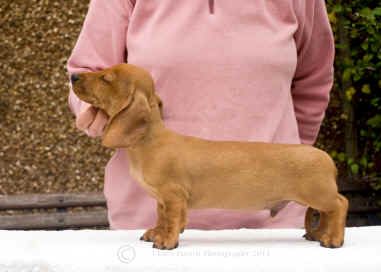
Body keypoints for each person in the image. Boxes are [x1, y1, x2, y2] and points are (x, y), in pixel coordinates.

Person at [67, 0, 334, 230]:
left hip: (272, 225)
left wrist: (293, 160)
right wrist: (96, 113)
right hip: (149, 222)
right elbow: (87, 70)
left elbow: (314, 79)